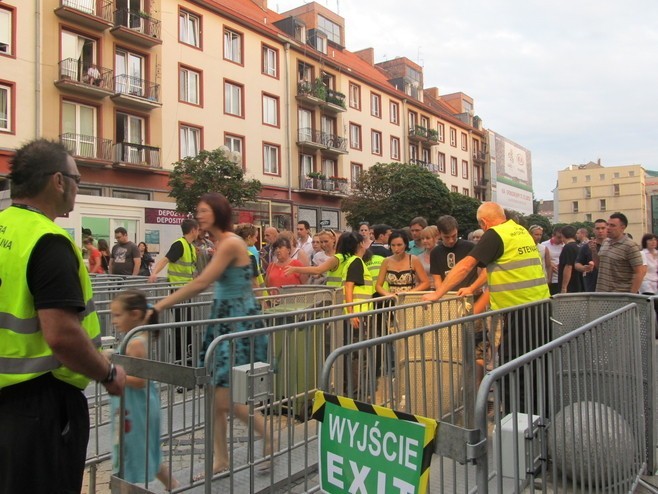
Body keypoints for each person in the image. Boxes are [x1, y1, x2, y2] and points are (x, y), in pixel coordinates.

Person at [0, 139, 126, 493]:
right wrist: (108, 372)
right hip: (40, 407)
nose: (77, 188)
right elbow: (61, 335)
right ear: (58, 181)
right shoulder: (48, 241)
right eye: (77, 180)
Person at [150, 193, 271, 475]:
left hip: (237, 324)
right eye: (198, 210)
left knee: (227, 398)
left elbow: (203, 281)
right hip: (224, 320)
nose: (199, 215)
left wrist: (159, 305)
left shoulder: (230, 242)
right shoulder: (220, 242)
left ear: (217, 212)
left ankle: (269, 437)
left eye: (204, 211)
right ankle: (221, 459)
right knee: (215, 395)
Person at [423, 202, 550, 412]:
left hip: (519, 312)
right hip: (540, 308)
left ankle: (516, 424)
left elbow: (465, 266)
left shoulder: (495, 234)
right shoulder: (521, 231)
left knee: (513, 371)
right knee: (537, 368)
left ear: (483, 222)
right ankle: (539, 417)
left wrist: (438, 293)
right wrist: (473, 287)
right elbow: (496, 268)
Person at [109, 290, 178, 490]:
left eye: (118, 315)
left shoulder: (136, 343)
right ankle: (173, 485)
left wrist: (110, 372)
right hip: (133, 405)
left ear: (135, 314)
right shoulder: (138, 335)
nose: (114, 320)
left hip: (135, 407)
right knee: (145, 452)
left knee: (129, 455)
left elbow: (140, 380)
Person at [595, 212, 645, 293]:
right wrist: (593, 251)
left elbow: (640, 273)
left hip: (620, 296)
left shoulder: (630, 245)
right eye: (608, 224)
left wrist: (631, 296)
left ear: (623, 227)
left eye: (612, 225)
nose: (608, 228)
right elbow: (599, 266)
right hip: (602, 294)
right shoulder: (605, 242)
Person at [430, 215, 478, 293]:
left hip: (470, 293)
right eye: (446, 237)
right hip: (448, 296)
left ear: (457, 230)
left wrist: (475, 286)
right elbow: (437, 280)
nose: (451, 240)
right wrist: (440, 295)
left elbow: (484, 269)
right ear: (439, 234)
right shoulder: (435, 252)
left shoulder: (470, 247)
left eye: (454, 236)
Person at [375, 230, 430, 296]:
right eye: (393, 245)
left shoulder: (413, 259)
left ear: (405, 245)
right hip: (393, 301)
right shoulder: (386, 261)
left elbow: (426, 282)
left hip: (410, 300)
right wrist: (388, 295)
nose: (396, 249)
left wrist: (409, 293)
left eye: (399, 245)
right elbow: (378, 286)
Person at [148, 219, 199, 284]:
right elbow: (165, 260)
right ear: (193, 231)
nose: (198, 233)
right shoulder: (179, 244)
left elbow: (191, 268)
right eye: (197, 230)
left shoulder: (191, 246)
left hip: (186, 286)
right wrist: (154, 273)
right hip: (177, 286)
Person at [574, 218, 607, 292]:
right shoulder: (587, 246)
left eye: (603, 228)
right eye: (597, 228)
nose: (600, 231)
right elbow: (577, 263)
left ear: (607, 229)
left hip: (609, 286)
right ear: (593, 230)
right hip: (591, 285)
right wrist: (583, 268)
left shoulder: (612, 246)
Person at [557, 225, 583, 293]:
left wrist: (564, 287)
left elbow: (568, 266)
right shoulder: (578, 246)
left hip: (570, 285)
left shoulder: (568, 247)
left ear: (562, 235)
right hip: (578, 283)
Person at [541, 226, 564, 295]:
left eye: (562, 237)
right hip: (550, 278)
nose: (561, 239)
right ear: (553, 235)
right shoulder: (544, 245)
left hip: (561, 278)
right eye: (559, 237)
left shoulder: (565, 245)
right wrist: (549, 263)